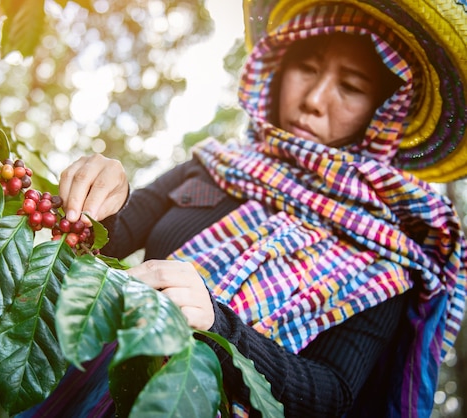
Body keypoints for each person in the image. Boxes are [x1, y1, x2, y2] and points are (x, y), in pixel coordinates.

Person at [23, 1, 467, 417]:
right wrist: (101, 196)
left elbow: (334, 394)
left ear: (381, 110)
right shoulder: (212, 166)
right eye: (306, 68)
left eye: (350, 87)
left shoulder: (389, 248)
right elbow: (100, 244)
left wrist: (222, 328)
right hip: (87, 389)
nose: (314, 99)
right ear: (279, 69)